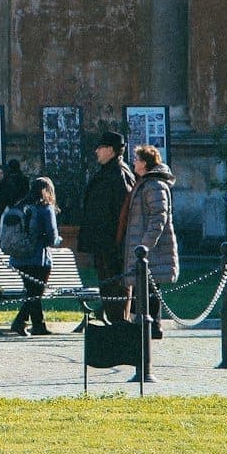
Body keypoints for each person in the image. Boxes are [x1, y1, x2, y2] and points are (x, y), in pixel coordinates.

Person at [121, 143, 178, 340]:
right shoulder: (145, 183)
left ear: (144, 163)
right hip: (141, 247)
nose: (134, 163)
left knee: (151, 288)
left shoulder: (154, 185)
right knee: (142, 287)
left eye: (136, 159)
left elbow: (158, 217)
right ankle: (145, 327)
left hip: (150, 249)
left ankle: (153, 327)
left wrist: (145, 245)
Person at [79, 131, 135, 324]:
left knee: (115, 287)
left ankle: (119, 326)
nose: (96, 151)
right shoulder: (109, 172)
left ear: (110, 150)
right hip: (103, 242)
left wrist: (117, 242)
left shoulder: (118, 174)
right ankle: (115, 324)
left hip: (111, 243)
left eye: (100, 147)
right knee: (108, 286)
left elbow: (123, 213)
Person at [8, 176, 60, 336]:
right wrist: (59, 240)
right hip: (38, 258)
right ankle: (20, 321)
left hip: (18, 257)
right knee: (35, 293)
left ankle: (38, 325)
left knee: (33, 292)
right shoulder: (45, 208)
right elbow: (53, 237)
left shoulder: (20, 206)